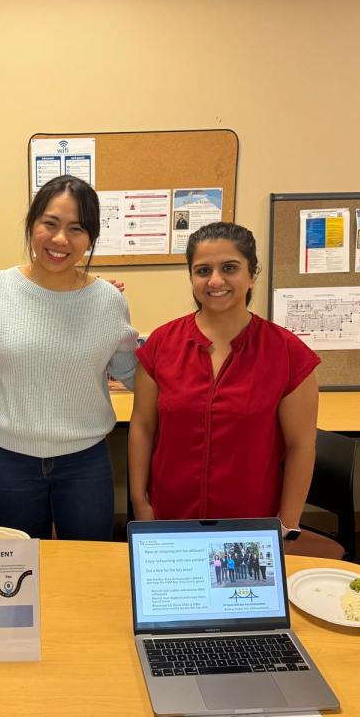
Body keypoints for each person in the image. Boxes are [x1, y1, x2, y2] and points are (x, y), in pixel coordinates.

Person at [128, 222, 320, 534]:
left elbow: (301, 446)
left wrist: (287, 524)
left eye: (229, 267)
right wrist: (140, 502)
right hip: (171, 515)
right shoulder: (162, 345)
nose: (215, 280)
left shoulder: (288, 353)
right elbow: (143, 426)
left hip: (251, 521)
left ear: (252, 273)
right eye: (203, 270)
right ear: (191, 277)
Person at [0, 175, 139, 541]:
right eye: (49, 223)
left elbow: (130, 371)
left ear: (91, 238)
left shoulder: (108, 301)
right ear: (32, 224)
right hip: (8, 458)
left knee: (88, 565)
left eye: (76, 228)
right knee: (18, 572)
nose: (60, 239)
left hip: (85, 460)